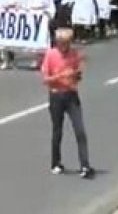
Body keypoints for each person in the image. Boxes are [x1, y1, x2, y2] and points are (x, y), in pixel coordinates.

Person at [40, 27, 93, 179]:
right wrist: (61, 75)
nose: (65, 46)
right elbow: (45, 79)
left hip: (71, 95)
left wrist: (76, 74)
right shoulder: (50, 54)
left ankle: (85, 165)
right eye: (63, 43)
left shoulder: (73, 54)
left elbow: (77, 74)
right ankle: (55, 162)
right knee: (57, 130)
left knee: (80, 130)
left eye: (68, 43)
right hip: (56, 96)